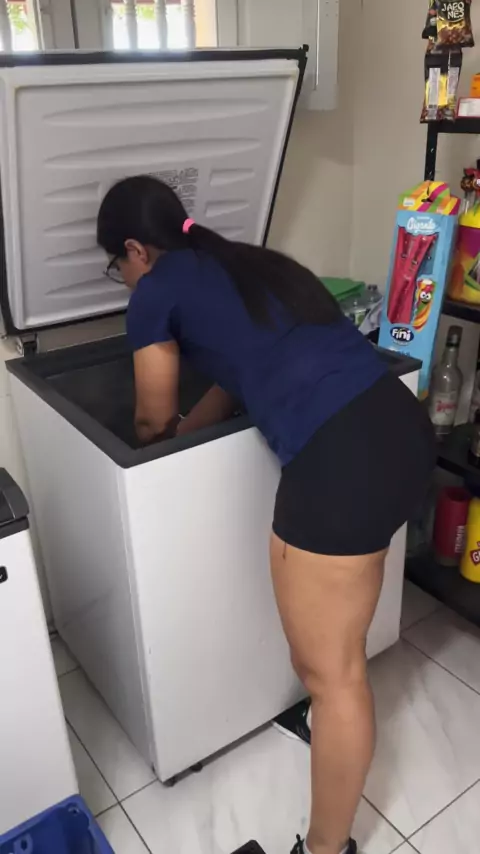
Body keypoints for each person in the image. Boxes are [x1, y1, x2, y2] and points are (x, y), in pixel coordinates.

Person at [97, 176, 435, 854]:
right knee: (336, 655)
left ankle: (325, 848)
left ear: (136, 250)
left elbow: (151, 419)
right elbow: (236, 375)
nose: (124, 280)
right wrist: (191, 429)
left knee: (331, 675)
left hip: (339, 462)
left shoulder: (156, 292)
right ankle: (328, 725)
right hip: (401, 432)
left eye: (117, 267)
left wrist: (153, 450)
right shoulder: (245, 263)